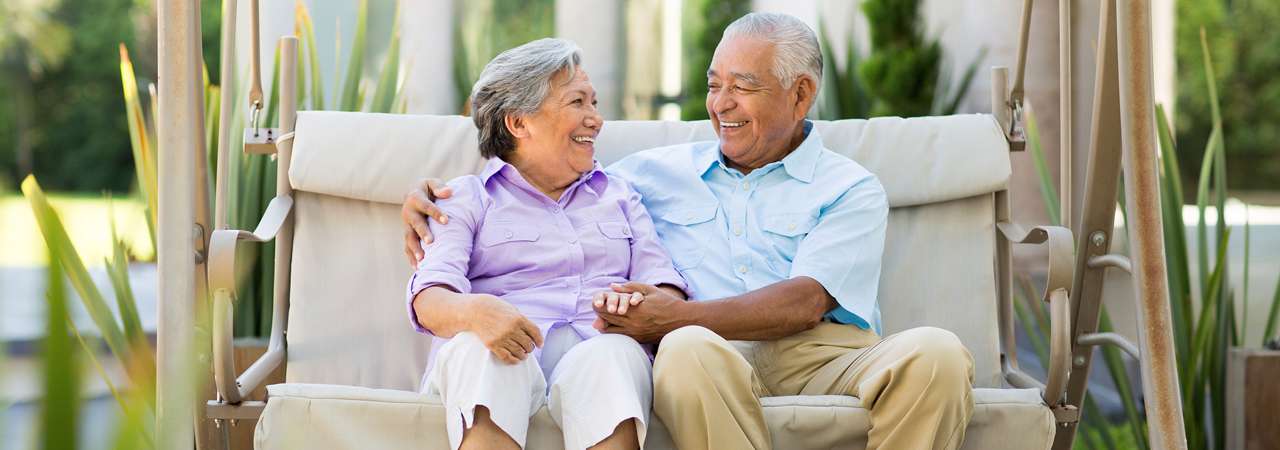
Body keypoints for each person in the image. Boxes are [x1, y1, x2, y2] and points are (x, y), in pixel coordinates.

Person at [404, 13, 974, 450]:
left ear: (800, 94)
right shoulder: (641, 176)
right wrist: (427, 198)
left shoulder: (850, 187)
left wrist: (671, 314)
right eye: (713, 84)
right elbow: (546, 182)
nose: (720, 105)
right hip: (707, 355)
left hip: (821, 352)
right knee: (684, 351)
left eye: (742, 87)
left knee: (939, 353)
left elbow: (805, 301)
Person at [406, 38, 687, 450]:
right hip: (501, 353)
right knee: (482, 350)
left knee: (615, 356)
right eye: (578, 103)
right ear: (519, 123)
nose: (596, 119)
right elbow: (429, 298)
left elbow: (663, 285)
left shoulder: (621, 196)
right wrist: (475, 312)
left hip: (597, 348)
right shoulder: (465, 198)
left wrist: (642, 305)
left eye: (594, 103)